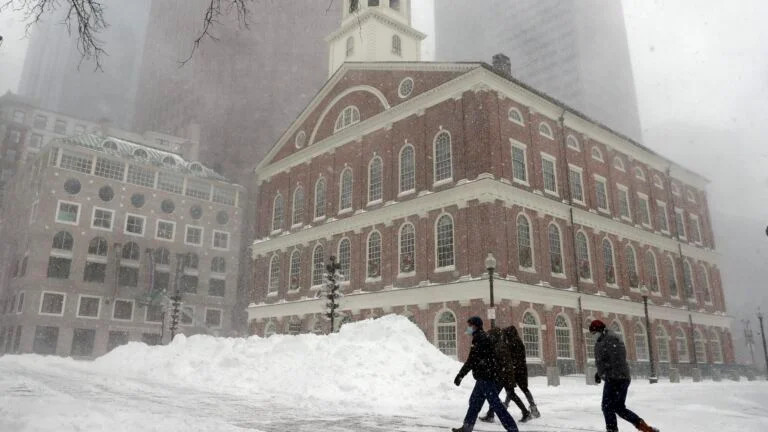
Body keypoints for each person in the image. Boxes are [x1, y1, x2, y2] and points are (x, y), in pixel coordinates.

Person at [590, 320, 660, 432]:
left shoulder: (611, 339)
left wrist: (611, 376)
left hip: (616, 378)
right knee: (618, 407)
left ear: (600, 330)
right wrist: (599, 373)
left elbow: (617, 360)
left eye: (594, 333)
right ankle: (646, 428)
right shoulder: (603, 340)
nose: (593, 336)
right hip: (617, 377)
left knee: (607, 407)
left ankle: (612, 430)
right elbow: (604, 360)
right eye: (592, 334)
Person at [452, 316, 519, 432]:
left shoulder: (480, 339)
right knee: (474, 402)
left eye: (469, 326)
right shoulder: (481, 337)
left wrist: (460, 375)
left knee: (496, 405)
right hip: (484, 377)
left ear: (474, 326)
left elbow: (471, 360)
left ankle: (513, 429)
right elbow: (478, 359)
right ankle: (466, 428)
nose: (468, 328)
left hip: (486, 378)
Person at [479, 325, 539, 423]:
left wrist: (505, 371)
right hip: (511, 372)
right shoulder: (507, 343)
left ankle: (492, 414)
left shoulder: (507, 344)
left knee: (500, 394)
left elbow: (506, 361)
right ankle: (526, 412)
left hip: (508, 373)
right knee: (511, 393)